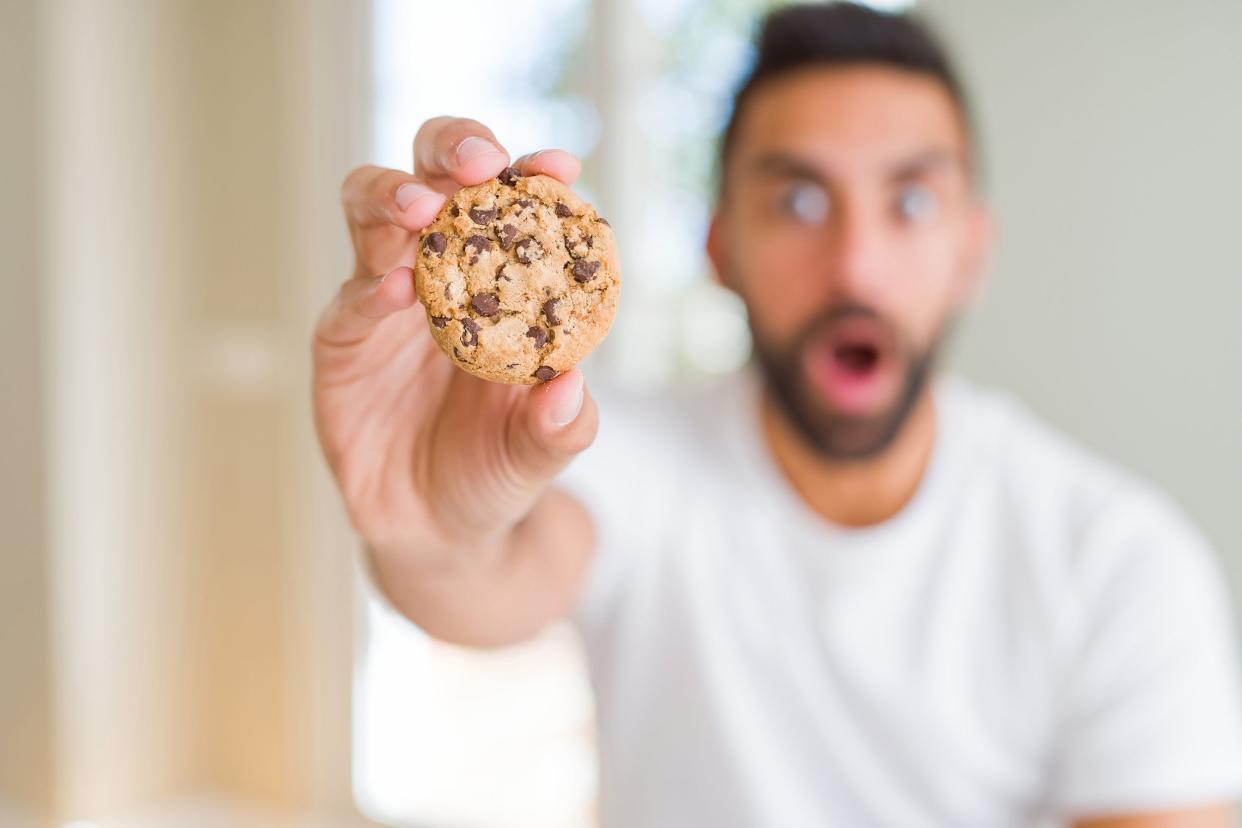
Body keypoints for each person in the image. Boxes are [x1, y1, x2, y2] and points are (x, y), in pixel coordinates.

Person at [312, 3, 1242, 825]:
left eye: (911, 201)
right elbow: (499, 571)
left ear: (971, 253)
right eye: (797, 199)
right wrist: (429, 536)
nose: (855, 267)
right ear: (721, 246)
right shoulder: (622, 456)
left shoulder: (1119, 562)